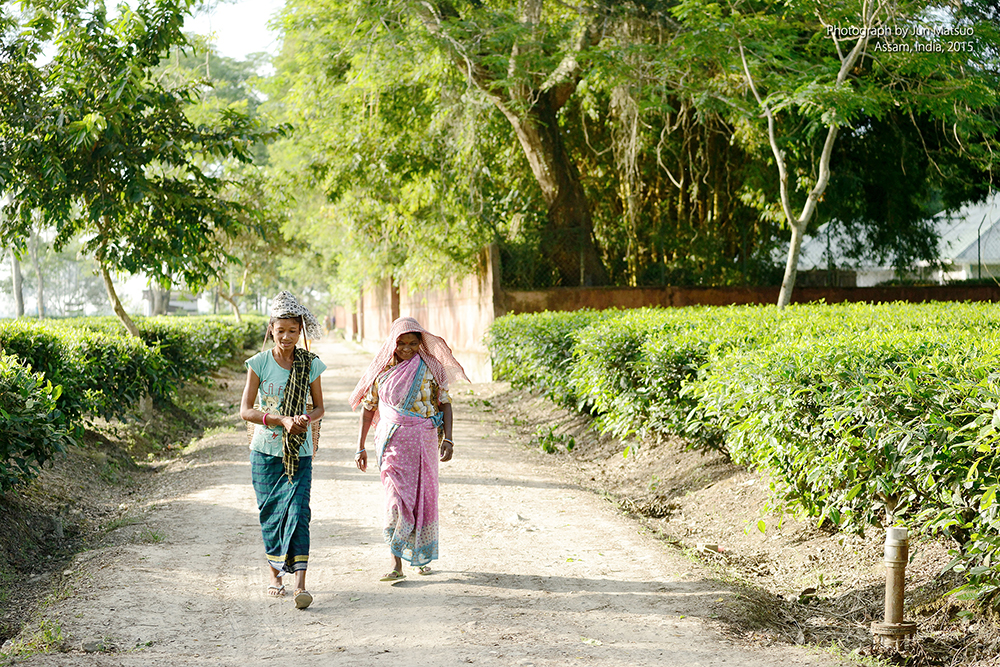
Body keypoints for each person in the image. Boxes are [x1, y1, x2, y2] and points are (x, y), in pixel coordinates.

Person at [350, 317, 469, 582]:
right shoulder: (381, 370)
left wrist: (449, 439)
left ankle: (419, 554)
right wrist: (360, 447)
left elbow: (445, 403)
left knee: (421, 498)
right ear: (392, 343)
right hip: (392, 443)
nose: (406, 349)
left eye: (413, 343)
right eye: (401, 343)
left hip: (424, 442)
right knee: (396, 500)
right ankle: (396, 564)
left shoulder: (431, 367)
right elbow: (369, 409)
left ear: (420, 343)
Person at [240, 291, 326, 609]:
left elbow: (320, 408)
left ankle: (301, 585)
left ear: (300, 331)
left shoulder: (310, 364)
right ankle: (275, 576)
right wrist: (279, 419)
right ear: (271, 330)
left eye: (293, 331)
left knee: (299, 512)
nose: (286, 337)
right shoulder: (259, 363)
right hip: (265, 452)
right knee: (272, 514)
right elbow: (246, 411)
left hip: (299, 451)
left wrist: (304, 419)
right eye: (281, 331)